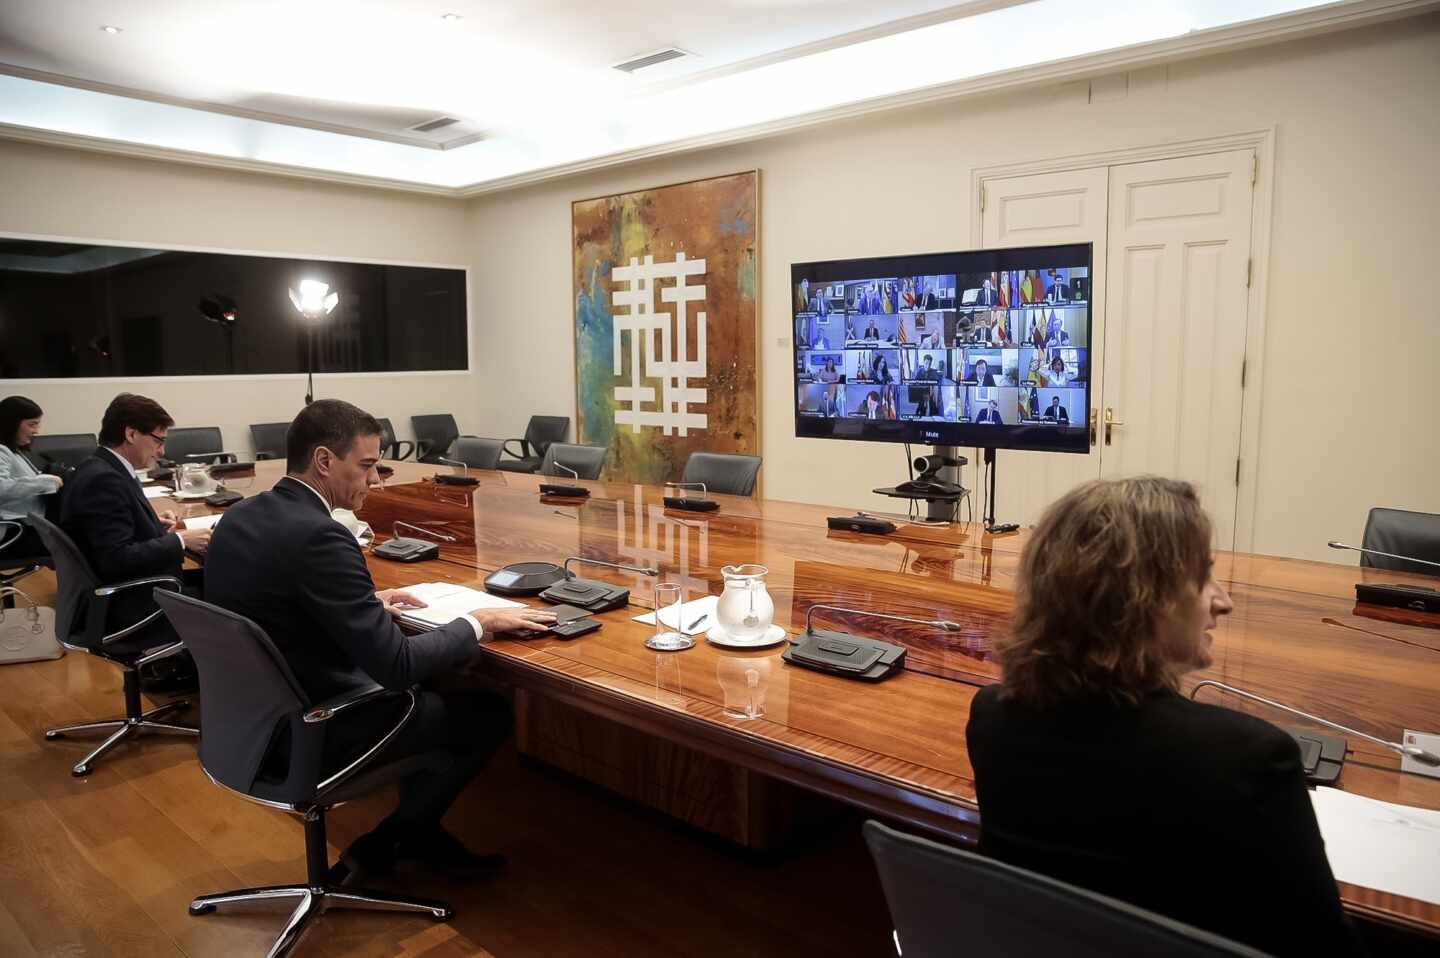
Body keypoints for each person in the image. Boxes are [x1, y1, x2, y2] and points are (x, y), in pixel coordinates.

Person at [966, 478, 1360, 957]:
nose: (1224, 601)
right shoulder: (1247, 759)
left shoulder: (992, 717)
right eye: (1203, 579)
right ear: (1144, 598)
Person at [206, 399, 557, 884]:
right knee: (485, 712)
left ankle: (412, 834)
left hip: (248, 720)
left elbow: (275, 600)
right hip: (313, 726)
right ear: (325, 461)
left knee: (438, 692)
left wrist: (365, 604)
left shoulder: (243, 515)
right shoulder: (321, 536)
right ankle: (393, 842)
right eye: (367, 465)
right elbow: (395, 666)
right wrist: (477, 623)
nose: (375, 480)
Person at [60, 393, 212, 636]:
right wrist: (182, 541)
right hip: (134, 604)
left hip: (128, 591)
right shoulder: (104, 480)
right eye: (158, 441)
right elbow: (116, 558)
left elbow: (111, 534)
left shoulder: (98, 466)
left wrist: (154, 527)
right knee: (234, 595)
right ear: (131, 434)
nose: (161, 451)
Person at [0, 396, 62, 557]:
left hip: (27, 526)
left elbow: (24, 480)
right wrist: (44, 482)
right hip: (14, 532)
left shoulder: (14, 450)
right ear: (11, 423)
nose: (36, 431)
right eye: (32, 424)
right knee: (81, 542)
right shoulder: (1, 450)